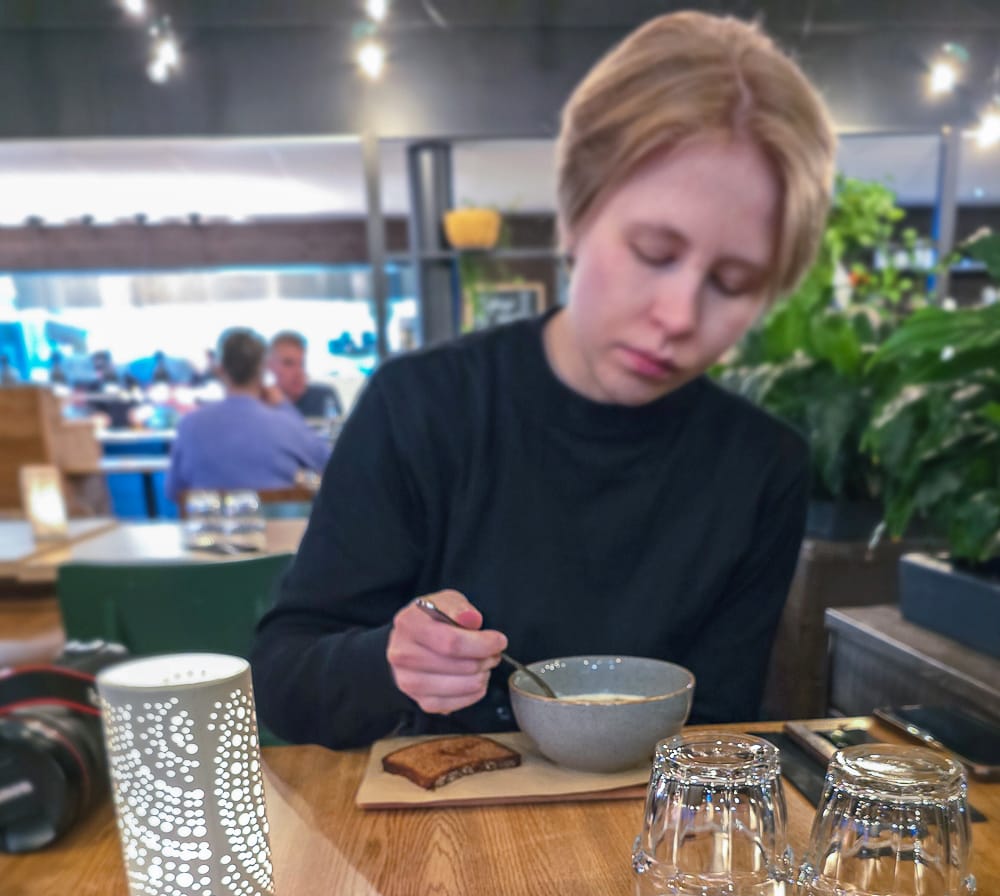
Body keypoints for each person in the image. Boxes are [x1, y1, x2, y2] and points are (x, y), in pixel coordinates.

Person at [252, 11, 836, 750]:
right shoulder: (424, 406)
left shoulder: (760, 467)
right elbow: (284, 679)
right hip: (426, 813)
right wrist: (389, 663)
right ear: (574, 216)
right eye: (654, 253)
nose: (679, 316)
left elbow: (720, 722)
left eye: (733, 282)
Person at [166, 328, 330, 502]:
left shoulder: (189, 425)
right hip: (276, 519)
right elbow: (330, 465)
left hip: (211, 519)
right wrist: (284, 406)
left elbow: (173, 492)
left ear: (220, 370)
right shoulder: (285, 425)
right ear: (263, 369)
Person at [267, 331, 342, 419]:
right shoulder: (261, 404)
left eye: (302, 364)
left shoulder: (324, 397)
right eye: (289, 363)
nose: (298, 371)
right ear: (269, 365)